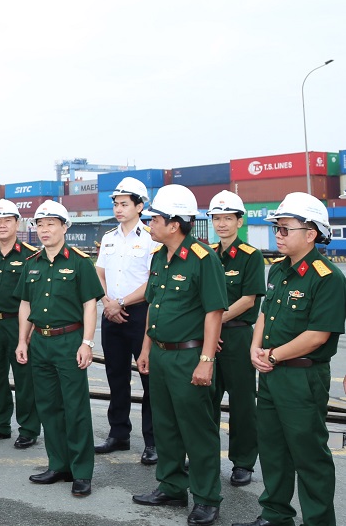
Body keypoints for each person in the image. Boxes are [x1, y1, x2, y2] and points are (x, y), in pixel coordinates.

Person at [234, 193, 346, 526]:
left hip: (302, 377)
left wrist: (272, 355)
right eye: (277, 229)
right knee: (272, 449)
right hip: (271, 373)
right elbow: (264, 314)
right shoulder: (278, 270)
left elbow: (318, 335)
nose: (278, 235)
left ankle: (318, 521)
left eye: (285, 229)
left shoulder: (327, 277)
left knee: (309, 455)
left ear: (311, 234)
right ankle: (275, 515)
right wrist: (255, 348)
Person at [132, 184, 228, 526]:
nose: (149, 224)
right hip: (160, 355)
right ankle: (171, 485)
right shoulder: (159, 256)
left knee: (197, 430)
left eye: (154, 219)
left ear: (174, 224)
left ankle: (206, 498)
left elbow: (214, 312)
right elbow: (153, 306)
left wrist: (206, 360)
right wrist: (146, 349)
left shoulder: (203, 259)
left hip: (189, 357)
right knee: (166, 425)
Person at [14, 200, 103, 498]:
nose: (44, 230)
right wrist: (22, 340)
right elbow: (25, 304)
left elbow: (90, 305)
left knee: (75, 408)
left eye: (51, 224)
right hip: (40, 341)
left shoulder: (80, 262)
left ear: (65, 227)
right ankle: (58, 465)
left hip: (69, 341)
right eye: (40, 224)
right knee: (48, 407)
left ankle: (81, 472)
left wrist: (87, 343)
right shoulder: (32, 263)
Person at [94, 178, 157, 465]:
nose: (118, 209)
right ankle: (118, 433)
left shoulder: (151, 239)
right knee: (116, 377)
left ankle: (153, 441)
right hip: (110, 314)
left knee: (149, 379)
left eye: (124, 204)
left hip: (140, 314)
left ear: (140, 206)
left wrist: (120, 302)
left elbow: (152, 281)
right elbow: (100, 273)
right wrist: (108, 302)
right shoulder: (109, 237)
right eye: (116, 204)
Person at [206, 190, 265, 487]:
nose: (222, 224)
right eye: (216, 218)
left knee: (242, 402)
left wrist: (215, 323)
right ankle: (205, 454)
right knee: (206, 398)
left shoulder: (251, 256)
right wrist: (209, 330)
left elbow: (248, 299)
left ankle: (243, 462)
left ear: (239, 221)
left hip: (238, 335)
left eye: (228, 218)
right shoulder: (207, 255)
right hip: (209, 337)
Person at [0, 199, 40, 449]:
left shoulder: (31, 256)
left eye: (7, 220)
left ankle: (28, 428)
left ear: (18, 223)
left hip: (19, 324)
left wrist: (29, 331)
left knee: (25, 378)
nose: (2, 225)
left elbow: (35, 296)